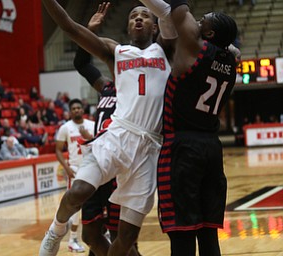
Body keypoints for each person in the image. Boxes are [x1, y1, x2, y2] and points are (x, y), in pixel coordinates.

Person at [39, 1, 173, 255]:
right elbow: (68, 26)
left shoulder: (165, 50)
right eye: (133, 15)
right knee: (79, 191)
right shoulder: (116, 51)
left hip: (149, 148)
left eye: (145, 15)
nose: (138, 19)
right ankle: (56, 230)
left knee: (127, 237)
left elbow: (182, 24)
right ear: (128, 25)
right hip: (117, 136)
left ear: (155, 26)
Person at [139, 0, 238, 255]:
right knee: (208, 235)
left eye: (206, 18)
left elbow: (177, 8)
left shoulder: (195, 46)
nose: (200, 18)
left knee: (182, 235)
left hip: (182, 149)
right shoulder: (231, 63)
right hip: (212, 150)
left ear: (209, 33)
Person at [54, 98, 95, 253]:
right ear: (70, 112)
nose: (77, 110)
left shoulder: (91, 124)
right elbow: (58, 149)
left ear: (82, 110)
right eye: (74, 108)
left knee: (95, 203)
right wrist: (66, 167)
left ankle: (99, 234)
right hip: (75, 169)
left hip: (92, 168)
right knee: (76, 206)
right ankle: (72, 240)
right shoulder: (65, 128)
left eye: (79, 108)